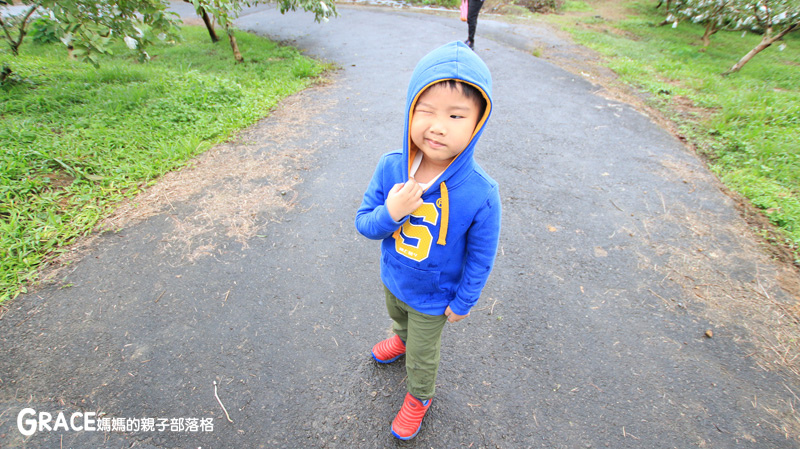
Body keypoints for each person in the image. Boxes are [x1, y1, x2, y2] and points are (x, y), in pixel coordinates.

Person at [354, 41, 501, 440]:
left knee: (423, 357)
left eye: (456, 115)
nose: (438, 126)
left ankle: (420, 397)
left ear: (477, 123)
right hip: (395, 278)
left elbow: (481, 256)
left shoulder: (480, 192)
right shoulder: (391, 167)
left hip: (435, 298)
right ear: (410, 112)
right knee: (397, 317)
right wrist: (392, 212)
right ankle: (399, 339)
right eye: (426, 111)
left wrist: (465, 300)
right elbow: (365, 224)